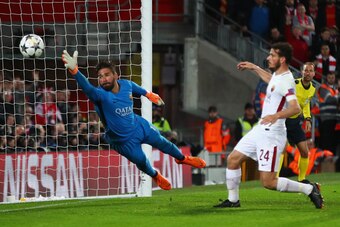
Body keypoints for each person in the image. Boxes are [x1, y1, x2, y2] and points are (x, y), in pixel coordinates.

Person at [61, 50, 206, 190]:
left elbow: (135, 88)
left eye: (107, 75)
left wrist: (149, 94)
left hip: (138, 125)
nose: (103, 79)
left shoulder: (126, 85)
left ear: (116, 75)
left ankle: (182, 158)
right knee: (141, 160)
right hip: (122, 140)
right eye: (100, 76)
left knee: (163, 142)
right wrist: (75, 71)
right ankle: (155, 175)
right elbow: (88, 88)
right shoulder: (100, 95)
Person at [213, 42, 324, 209]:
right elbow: (270, 80)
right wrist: (254, 67)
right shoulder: (279, 76)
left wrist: (276, 115)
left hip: (272, 134)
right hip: (260, 129)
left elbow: (294, 107)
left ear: (282, 59)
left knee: (269, 182)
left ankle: (309, 189)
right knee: (233, 160)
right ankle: (233, 200)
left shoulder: (287, 80)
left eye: (272, 55)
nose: (269, 58)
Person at [277, 62, 316, 182]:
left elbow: (306, 104)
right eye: (306, 70)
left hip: (295, 122)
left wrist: (308, 119)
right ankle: (274, 179)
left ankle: (302, 179)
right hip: (284, 120)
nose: (308, 73)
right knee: (282, 149)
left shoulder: (313, 89)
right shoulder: (294, 84)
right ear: (302, 72)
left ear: (314, 74)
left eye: (310, 71)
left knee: (305, 152)